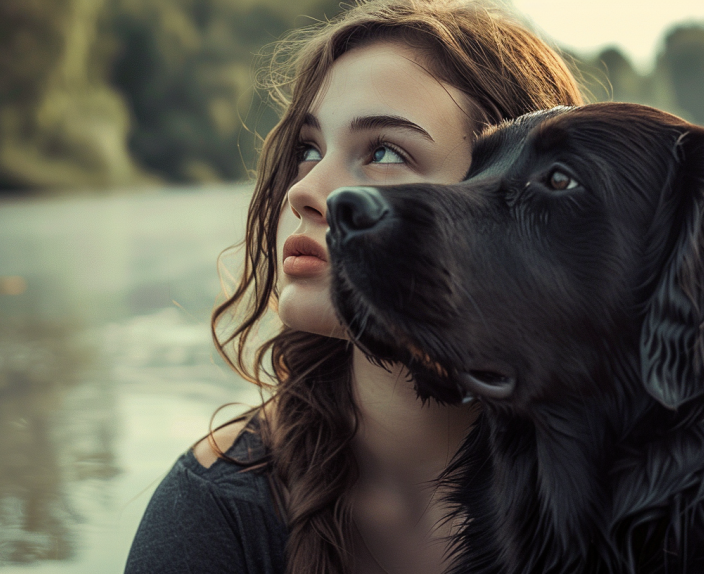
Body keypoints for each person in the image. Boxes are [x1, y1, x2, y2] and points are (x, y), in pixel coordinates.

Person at [125, 1, 583, 572]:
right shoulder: (218, 505)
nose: (307, 189)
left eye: (384, 152)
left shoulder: (642, 506)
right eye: (309, 149)